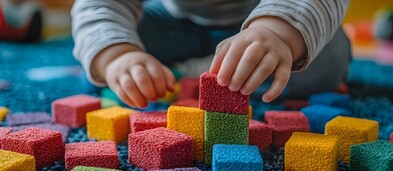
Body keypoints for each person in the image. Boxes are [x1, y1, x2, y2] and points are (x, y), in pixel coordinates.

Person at [72, 0, 351, 108]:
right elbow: (100, 6)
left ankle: (204, 69)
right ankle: (212, 67)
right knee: (104, 59)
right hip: (173, 24)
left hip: (272, 19)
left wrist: (278, 32)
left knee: (327, 59)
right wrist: (118, 55)